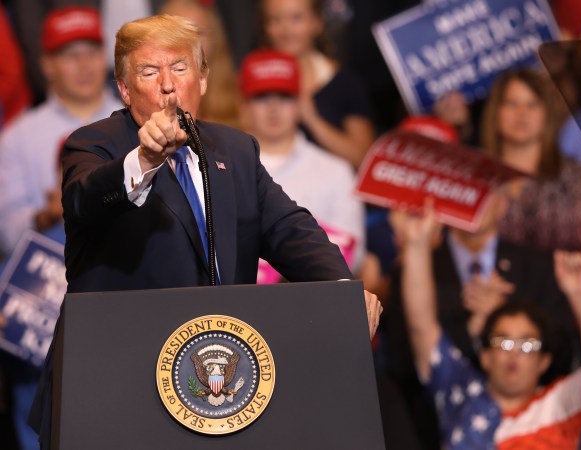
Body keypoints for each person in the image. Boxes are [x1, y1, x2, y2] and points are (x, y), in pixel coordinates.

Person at [28, 14, 382, 448]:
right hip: (112, 387)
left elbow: (289, 228)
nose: (168, 85)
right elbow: (86, 196)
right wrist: (145, 159)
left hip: (214, 394)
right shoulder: (92, 144)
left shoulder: (235, 148)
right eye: (148, 71)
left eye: (179, 68)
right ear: (124, 88)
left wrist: (342, 291)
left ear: (204, 80)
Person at [397, 200, 581, 449]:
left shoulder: (561, 403)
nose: (513, 353)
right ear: (485, 357)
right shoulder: (461, 391)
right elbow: (422, 328)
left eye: (526, 345)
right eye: (503, 342)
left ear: (544, 361)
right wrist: (417, 245)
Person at [0, 6, 122, 263]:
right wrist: (48, 214)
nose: (84, 65)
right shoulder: (17, 137)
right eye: (70, 55)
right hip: (52, 279)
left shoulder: (137, 123)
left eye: (92, 52)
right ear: (47, 65)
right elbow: (6, 233)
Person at [239, 49, 365, 277]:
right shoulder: (219, 168)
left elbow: (352, 257)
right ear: (244, 105)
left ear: (301, 102)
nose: (273, 107)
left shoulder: (335, 171)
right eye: (262, 96)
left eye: (284, 96)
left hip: (314, 301)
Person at [481, 68, 581, 269]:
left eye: (532, 104)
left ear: (547, 113)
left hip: (564, 292)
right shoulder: (476, 175)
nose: (521, 113)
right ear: (495, 113)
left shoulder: (573, 176)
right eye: (512, 103)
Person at [258, 0, 375, 169]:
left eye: (296, 18)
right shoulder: (252, 80)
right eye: (275, 19)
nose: (285, 29)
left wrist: (313, 120)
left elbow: (364, 160)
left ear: (317, 22)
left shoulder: (345, 82)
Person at [161, 0, 242, 128]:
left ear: (215, 39)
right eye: (177, 34)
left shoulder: (242, 99)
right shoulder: (142, 106)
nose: (188, 44)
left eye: (197, 33)